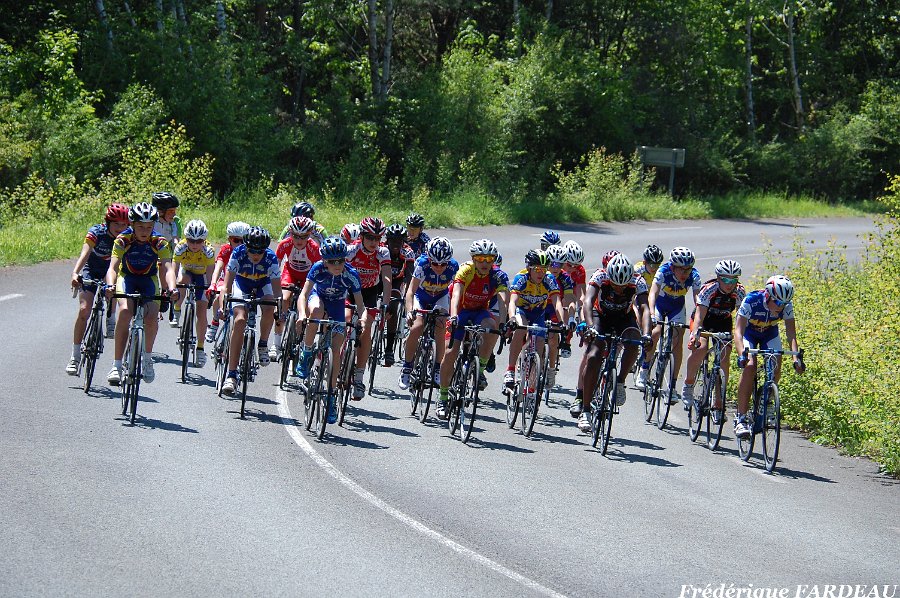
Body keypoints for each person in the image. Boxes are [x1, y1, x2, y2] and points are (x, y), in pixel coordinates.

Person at [574, 254, 651, 432]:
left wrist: (647, 334)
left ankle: (620, 381)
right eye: (615, 285)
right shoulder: (600, 276)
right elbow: (588, 302)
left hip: (624, 318)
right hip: (600, 317)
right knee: (594, 356)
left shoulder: (638, 281)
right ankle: (585, 410)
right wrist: (590, 327)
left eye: (623, 286)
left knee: (634, 341)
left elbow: (645, 308)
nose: (619, 289)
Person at [104, 202, 178, 385]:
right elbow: (112, 267)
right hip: (127, 278)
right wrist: (110, 285)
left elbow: (168, 268)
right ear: (132, 225)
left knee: (152, 316)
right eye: (140, 227)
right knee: (125, 311)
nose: (145, 231)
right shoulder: (122, 239)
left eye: (149, 227)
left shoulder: (159, 241)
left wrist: (172, 288)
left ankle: (147, 358)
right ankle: (116, 365)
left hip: (148, 279)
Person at [295, 237, 365, 424]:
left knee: (336, 351)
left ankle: (331, 396)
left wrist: (363, 320)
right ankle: (306, 352)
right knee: (316, 311)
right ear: (324, 261)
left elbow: (360, 305)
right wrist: (302, 314)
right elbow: (304, 294)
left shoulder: (350, 274)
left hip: (337, 305)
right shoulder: (317, 268)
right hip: (318, 298)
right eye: (332, 262)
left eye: (341, 260)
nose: (337, 265)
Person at [437, 239, 508, 419]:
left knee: (492, 327)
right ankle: (443, 397)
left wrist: (503, 324)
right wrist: (453, 316)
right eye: (480, 259)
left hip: (479, 311)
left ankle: (479, 369)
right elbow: (456, 294)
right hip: (460, 310)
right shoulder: (466, 270)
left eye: (489, 259)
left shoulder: (498, 276)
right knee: (450, 352)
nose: (485, 263)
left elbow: (503, 301)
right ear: (473, 259)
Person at [732, 275, 805, 438]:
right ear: (768, 295)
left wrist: (796, 358)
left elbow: (791, 334)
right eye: (778, 302)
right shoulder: (751, 300)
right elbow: (738, 332)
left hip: (770, 334)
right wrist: (742, 354)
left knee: (776, 367)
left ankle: (768, 400)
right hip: (749, 333)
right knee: (750, 366)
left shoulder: (786, 305)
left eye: (784, 303)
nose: (781, 306)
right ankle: (741, 418)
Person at [66, 203, 130, 374]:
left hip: (113, 272)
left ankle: (111, 317)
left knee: (114, 286)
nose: (120, 228)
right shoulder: (96, 232)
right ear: (108, 222)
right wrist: (75, 273)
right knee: (84, 310)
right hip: (92, 270)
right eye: (116, 224)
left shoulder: (128, 237)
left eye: (124, 224)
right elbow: (85, 254)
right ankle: (75, 356)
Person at [637, 247, 701, 405]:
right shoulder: (663, 271)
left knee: (677, 344)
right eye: (681, 269)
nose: (685, 273)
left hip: (677, 308)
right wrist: (652, 314)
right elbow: (653, 294)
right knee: (655, 332)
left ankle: (672, 386)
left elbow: (698, 299)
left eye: (688, 269)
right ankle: (644, 369)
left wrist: (698, 317)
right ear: (673, 267)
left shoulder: (694, 275)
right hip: (659, 305)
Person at [220, 227, 281, 395]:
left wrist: (280, 311)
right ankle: (231, 375)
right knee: (240, 319)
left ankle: (262, 344)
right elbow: (226, 286)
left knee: (270, 306)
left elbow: (277, 291)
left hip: (263, 284)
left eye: (260, 251)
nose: (256, 254)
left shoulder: (270, 258)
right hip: (242, 283)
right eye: (252, 250)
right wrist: (222, 306)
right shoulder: (238, 253)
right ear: (246, 247)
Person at [680, 260, 746, 415]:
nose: (730, 284)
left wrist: (741, 337)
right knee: (701, 348)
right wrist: (695, 335)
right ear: (718, 278)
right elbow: (699, 316)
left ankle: (718, 399)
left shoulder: (739, 291)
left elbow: (742, 317)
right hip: (704, 320)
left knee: (724, 356)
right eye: (726, 280)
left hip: (723, 321)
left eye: (733, 280)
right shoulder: (709, 289)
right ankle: (688, 383)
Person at [398, 237, 458, 390]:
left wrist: (453, 316)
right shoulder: (422, 264)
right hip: (421, 296)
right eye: (435, 264)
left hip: (440, 297)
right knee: (417, 327)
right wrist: (410, 312)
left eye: (443, 264)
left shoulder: (454, 267)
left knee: (441, 326)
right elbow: (410, 292)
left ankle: (437, 367)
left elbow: (457, 294)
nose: (439, 267)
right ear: (429, 259)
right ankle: (407, 367)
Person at [504, 250, 565, 391]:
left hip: (538, 313)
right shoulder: (521, 278)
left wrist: (562, 322)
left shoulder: (549, 279)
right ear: (529, 268)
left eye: (544, 269)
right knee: (521, 328)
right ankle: (510, 370)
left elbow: (557, 302)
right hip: (522, 311)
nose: (541, 273)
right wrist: (512, 318)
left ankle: (531, 387)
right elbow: (512, 301)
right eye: (537, 269)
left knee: (539, 343)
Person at [346, 217, 392, 399]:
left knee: (366, 330)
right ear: (362, 236)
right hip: (349, 290)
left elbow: (387, 279)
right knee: (345, 319)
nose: (374, 242)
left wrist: (386, 303)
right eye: (370, 238)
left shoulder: (383, 252)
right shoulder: (352, 250)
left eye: (378, 238)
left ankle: (358, 377)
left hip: (370, 292)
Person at [271, 216, 321, 360]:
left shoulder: (314, 248)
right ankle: (276, 344)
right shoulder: (285, 244)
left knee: (306, 307)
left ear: (309, 234)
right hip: (290, 273)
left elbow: (319, 271)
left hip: (308, 276)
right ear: (290, 233)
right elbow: (275, 266)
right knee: (283, 300)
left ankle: (302, 337)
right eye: (295, 236)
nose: (299, 240)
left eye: (303, 236)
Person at [170, 219, 216, 366]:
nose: (195, 244)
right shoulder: (180, 247)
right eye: (191, 241)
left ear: (204, 240)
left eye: (199, 241)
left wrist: (210, 291)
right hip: (187, 272)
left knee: (201, 312)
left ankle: (200, 348)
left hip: (202, 276)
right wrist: (173, 288)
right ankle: (177, 309)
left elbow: (210, 275)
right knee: (182, 280)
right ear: (186, 239)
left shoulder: (209, 251)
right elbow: (174, 270)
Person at [205, 222, 249, 343]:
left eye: (243, 241)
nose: (240, 244)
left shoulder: (249, 251)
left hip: (241, 282)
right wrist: (213, 284)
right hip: (225, 279)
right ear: (229, 239)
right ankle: (215, 322)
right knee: (219, 295)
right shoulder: (226, 249)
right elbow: (218, 267)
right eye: (236, 240)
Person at [543, 243, 576, 387]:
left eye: (560, 264)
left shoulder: (565, 278)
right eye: (552, 264)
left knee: (553, 337)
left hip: (554, 308)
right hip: (538, 305)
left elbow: (570, 299)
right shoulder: (540, 273)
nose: (555, 268)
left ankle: (551, 370)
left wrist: (571, 318)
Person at [383, 223, 415, 366]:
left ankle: (389, 349)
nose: (396, 244)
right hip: (380, 278)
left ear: (403, 242)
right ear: (387, 240)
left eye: (399, 241)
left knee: (393, 305)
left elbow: (410, 276)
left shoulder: (408, 252)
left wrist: (408, 296)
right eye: (393, 241)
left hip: (397, 280)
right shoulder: (382, 249)